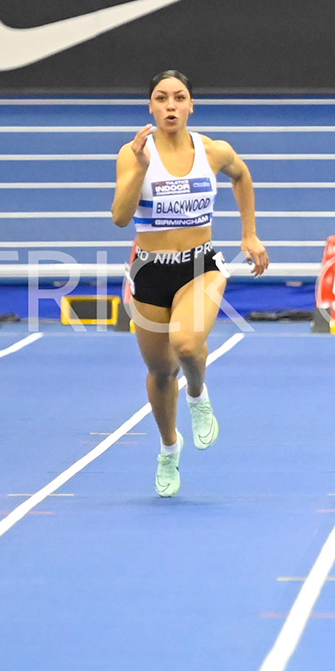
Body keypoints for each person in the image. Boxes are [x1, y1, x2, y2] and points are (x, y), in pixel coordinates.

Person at [112, 70, 269, 497]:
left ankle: (198, 396)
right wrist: (141, 170)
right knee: (160, 372)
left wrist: (249, 233)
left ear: (190, 105)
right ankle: (168, 448)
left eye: (178, 98)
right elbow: (120, 217)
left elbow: (242, 176)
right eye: (161, 98)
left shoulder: (213, 151)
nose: (170, 106)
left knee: (185, 344)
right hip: (149, 270)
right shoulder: (133, 154)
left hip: (200, 264)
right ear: (150, 106)